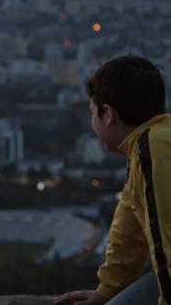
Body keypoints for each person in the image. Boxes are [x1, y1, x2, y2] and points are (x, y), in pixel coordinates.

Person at [54, 55, 171, 305]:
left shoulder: (155, 150)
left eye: (92, 112)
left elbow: (168, 244)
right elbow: (128, 230)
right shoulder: (148, 144)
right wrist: (106, 292)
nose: (92, 122)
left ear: (107, 114)